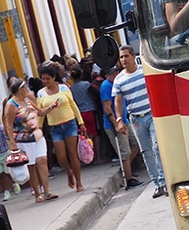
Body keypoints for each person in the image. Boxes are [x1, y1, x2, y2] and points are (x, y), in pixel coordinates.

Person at [113, 45, 166, 198]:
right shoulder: (119, 79)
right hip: (136, 118)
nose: (123, 60)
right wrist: (119, 119)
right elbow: (118, 101)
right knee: (146, 151)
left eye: (126, 56)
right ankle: (157, 183)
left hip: (151, 114)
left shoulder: (145, 71)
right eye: (121, 57)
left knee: (156, 147)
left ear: (133, 56)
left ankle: (163, 180)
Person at [4, 79, 58, 203]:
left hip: (37, 135)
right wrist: (12, 142)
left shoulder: (28, 101)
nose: (27, 91)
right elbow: (8, 124)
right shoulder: (11, 105)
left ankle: (47, 191)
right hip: (23, 139)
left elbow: (40, 112)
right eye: (25, 88)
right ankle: (37, 194)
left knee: (42, 160)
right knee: (31, 165)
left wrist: (51, 107)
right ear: (20, 90)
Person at [36, 63, 86, 192]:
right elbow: (40, 112)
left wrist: (81, 122)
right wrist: (39, 127)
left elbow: (73, 105)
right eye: (43, 78)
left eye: (47, 78)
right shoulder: (41, 94)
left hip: (69, 123)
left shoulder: (64, 88)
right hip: (54, 127)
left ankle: (79, 182)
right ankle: (69, 172)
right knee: (61, 157)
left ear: (53, 78)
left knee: (72, 153)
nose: (45, 81)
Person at [100, 66, 143, 190]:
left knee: (136, 144)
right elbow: (107, 107)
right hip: (115, 124)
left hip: (125, 120)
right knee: (125, 152)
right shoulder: (106, 86)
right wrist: (116, 124)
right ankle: (128, 179)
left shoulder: (118, 83)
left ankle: (126, 168)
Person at [69, 66, 101, 163]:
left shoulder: (71, 88)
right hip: (91, 110)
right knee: (96, 134)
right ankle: (98, 157)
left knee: (87, 135)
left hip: (80, 113)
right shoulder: (86, 84)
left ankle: (90, 156)